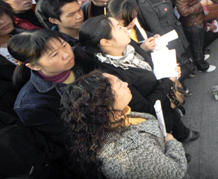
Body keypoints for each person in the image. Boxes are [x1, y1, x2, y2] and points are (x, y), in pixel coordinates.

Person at [75, 15, 200, 142]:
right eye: (119, 28)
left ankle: (183, 134)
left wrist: (167, 69)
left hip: (165, 99)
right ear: (106, 42)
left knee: (175, 117)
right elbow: (145, 107)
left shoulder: (129, 46)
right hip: (156, 115)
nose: (125, 29)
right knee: (167, 135)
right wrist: (169, 80)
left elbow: (149, 66)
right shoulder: (112, 76)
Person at [61, 70, 189, 178]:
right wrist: (172, 143)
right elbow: (175, 172)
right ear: (105, 105)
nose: (126, 83)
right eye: (119, 84)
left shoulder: (117, 116)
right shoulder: (129, 156)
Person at [8, 30, 84, 170]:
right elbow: (68, 142)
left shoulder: (81, 57)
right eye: (55, 54)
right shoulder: (31, 104)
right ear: (34, 66)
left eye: (64, 45)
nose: (66, 54)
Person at [132, 0, 194, 91]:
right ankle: (179, 88)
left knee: (183, 57)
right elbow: (155, 27)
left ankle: (183, 80)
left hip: (175, 28)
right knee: (175, 62)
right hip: (166, 35)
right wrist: (164, 44)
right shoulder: (144, 1)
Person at [168, 0, 217, 72]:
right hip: (193, 22)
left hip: (196, 19)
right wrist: (201, 4)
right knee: (197, 44)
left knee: (199, 44)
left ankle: (200, 57)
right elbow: (184, 11)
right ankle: (202, 65)